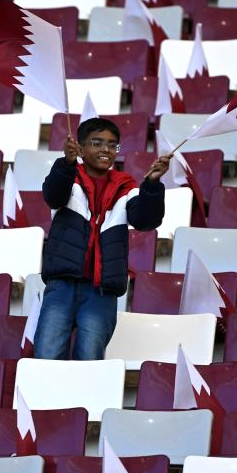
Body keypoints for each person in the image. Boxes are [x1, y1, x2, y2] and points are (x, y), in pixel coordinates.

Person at [34, 117, 170, 360]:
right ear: (81, 148)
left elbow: (145, 221)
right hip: (62, 284)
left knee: (90, 359)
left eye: (112, 144)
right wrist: (66, 164)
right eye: (97, 143)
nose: (106, 149)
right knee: (47, 354)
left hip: (101, 291)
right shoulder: (69, 177)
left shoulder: (126, 186)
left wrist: (151, 184)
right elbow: (53, 196)